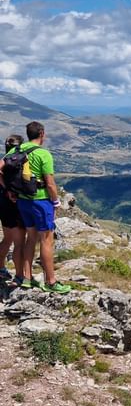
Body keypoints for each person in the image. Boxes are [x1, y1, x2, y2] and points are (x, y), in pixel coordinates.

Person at [7, 122, 71, 293]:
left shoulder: (16, 151)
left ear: (28, 134)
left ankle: (27, 278)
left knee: (31, 238)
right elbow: (50, 183)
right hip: (41, 200)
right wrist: (56, 201)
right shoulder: (44, 154)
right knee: (46, 240)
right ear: (42, 133)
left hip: (22, 201)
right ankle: (51, 282)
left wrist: (10, 191)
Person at [0, 135, 26, 284]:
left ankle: (1, 268)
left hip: (3, 202)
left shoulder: (5, 159)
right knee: (19, 242)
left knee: (7, 238)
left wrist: (4, 188)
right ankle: (19, 276)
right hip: (15, 203)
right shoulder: (19, 159)